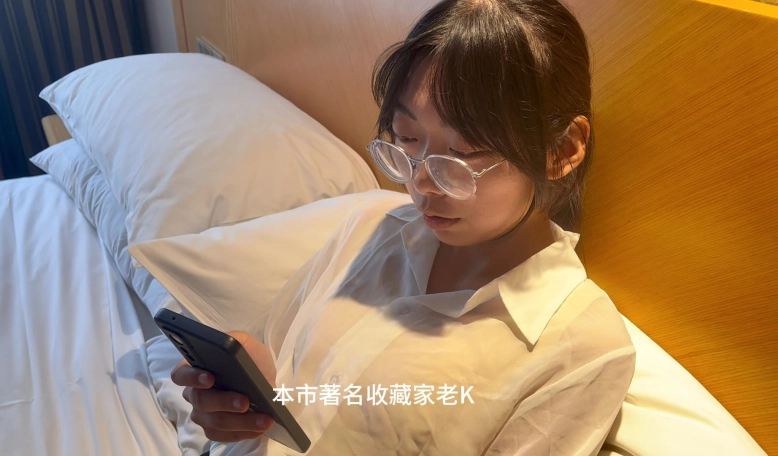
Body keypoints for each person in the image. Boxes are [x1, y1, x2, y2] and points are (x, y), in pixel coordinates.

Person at [172, 0, 636, 454]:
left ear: (562, 151)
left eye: (463, 154)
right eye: (407, 139)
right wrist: (242, 400)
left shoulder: (578, 347)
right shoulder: (372, 225)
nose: (420, 183)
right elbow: (282, 367)